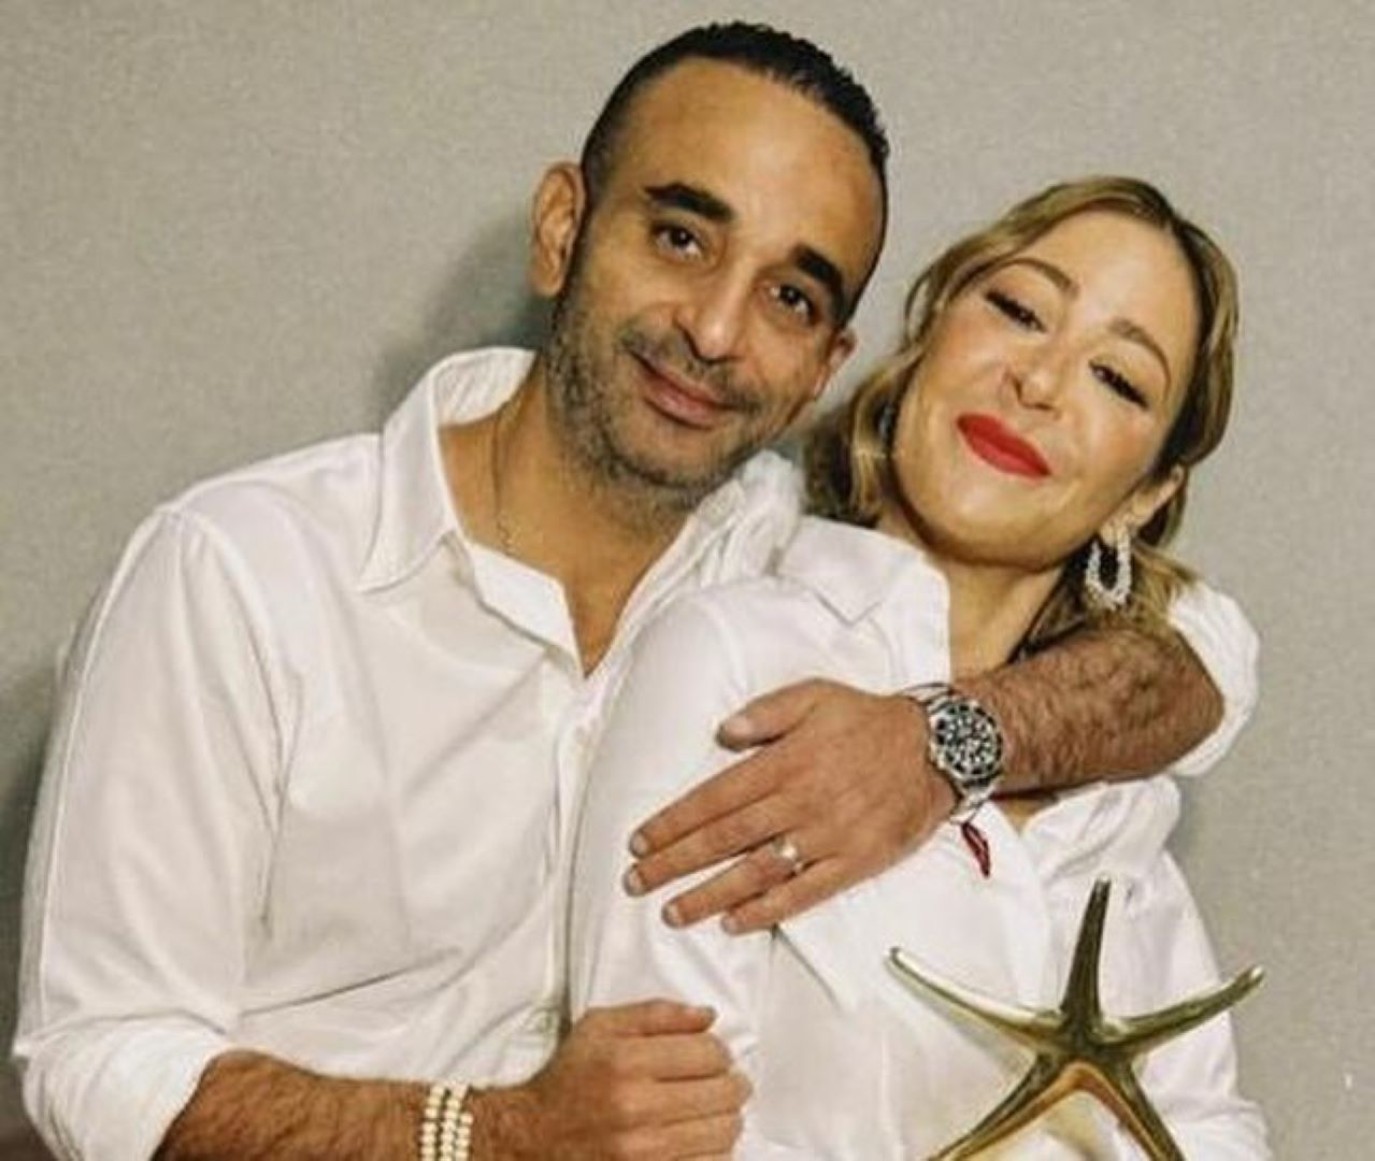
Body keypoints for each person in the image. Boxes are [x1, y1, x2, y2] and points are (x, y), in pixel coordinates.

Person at [14, 24, 1254, 1161]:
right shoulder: (244, 571)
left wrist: (946, 741)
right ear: (562, 227)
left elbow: (1203, 658)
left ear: (826, 364)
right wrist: (496, 1134)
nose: (714, 330)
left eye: (789, 297)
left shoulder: (792, 564)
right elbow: (95, 1064)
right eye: (680, 237)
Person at [570, 177, 1269, 1158]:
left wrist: (942, 742)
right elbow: (655, 1132)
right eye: (1018, 310)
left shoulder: (1114, 814)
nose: (1039, 381)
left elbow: (1212, 1129)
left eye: (1116, 378)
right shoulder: (732, 660)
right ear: (929, 331)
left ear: (1144, 494)